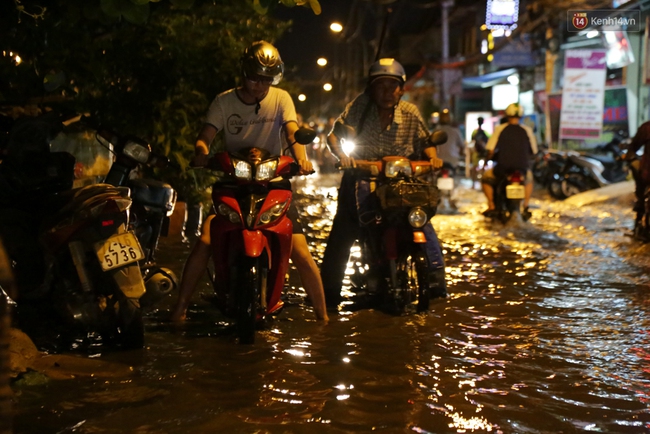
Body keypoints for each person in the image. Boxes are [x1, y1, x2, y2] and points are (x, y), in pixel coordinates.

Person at [170, 41, 328, 322]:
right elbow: (205, 135)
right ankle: (180, 309)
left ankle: (323, 317)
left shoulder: (281, 99)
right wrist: (201, 153)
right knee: (205, 240)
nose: (259, 85)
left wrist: (301, 159)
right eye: (255, 77)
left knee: (301, 251)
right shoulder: (223, 101)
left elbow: (292, 132)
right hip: (233, 181)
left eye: (266, 79)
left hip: (274, 180)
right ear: (243, 73)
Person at [321, 58, 446, 309]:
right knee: (344, 232)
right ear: (371, 88)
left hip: (402, 180)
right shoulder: (359, 107)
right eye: (381, 86)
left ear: (401, 89)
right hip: (361, 176)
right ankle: (328, 294)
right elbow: (334, 136)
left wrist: (433, 159)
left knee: (421, 219)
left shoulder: (411, 113)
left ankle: (436, 281)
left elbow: (426, 142)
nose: (387, 92)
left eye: (393, 86)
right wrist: (344, 157)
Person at [481, 102, 538, 218]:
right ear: (521, 116)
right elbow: (534, 152)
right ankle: (526, 205)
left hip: (503, 168)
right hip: (522, 168)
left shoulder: (500, 129)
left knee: (485, 178)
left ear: (506, 115)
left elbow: (490, 150)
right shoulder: (527, 130)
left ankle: (491, 205)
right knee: (529, 179)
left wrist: (486, 162)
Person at [626, 120, 650, 228]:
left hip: (647, 173)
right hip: (646, 173)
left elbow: (633, 148)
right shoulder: (646, 128)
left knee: (641, 192)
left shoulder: (647, 128)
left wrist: (629, 157)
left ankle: (640, 210)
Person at [435, 109, 466, 173]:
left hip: (438, 161)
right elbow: (462, 146)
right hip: (453, 161)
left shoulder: (436, 131)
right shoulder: (455, 131)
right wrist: (461, 153)